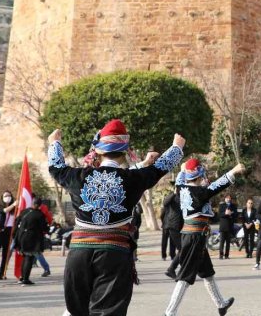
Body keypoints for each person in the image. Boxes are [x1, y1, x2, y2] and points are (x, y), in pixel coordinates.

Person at [47, 120, 184, 316]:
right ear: (125, 152)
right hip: (113, 254)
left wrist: (55, 142)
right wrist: (176, 147)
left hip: (78, 254)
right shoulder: (132, 179)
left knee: (77, 312)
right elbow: (159, 167)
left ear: (99, 151)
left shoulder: (78, 177)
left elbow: (56, 167)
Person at [163, 160, 244, 316]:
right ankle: (170, 312)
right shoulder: (200, 192)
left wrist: (183, 169)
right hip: (194, 237)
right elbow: (219, 184)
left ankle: (221, 304)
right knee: (185, 277)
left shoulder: (181, 188)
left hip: (194, 236)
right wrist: (234, 170)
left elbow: (181, 177)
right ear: (200, 175)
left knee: (207, 273)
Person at [14, 197, 49, 285]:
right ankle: (25, 279)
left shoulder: (24, 211)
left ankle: (21, 277)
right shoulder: (40, 214)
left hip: (21, 237)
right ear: (40, 205)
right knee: (29, 258)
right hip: (31, 238)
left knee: (25, 257)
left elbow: (16, 221)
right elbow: (44, 228)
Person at [0, 191, 16, 280]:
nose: (7, 197)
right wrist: (13, 205)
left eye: (9, 195)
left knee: (5, 254)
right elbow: (4, 211)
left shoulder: (14, 209)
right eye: (5, 196)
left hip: (8, 231)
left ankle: (2, 272)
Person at [161, 187, 183, 262]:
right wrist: (163, 223)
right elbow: (162, 215)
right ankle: (164, 255)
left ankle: (172, 255)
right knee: (164, 241)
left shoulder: (180, 197)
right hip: (166, 225)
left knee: (172, 241)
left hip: (175, 224)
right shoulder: (168, 203)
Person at [218, 194, 237, 260]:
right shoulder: (222, 205)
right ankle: (221, 255)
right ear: (225, 199)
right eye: (227, 198)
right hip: (223, 226)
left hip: (230, 226)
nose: (228, 199)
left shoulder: (233, 206)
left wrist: (231, 214)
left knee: (228, 242)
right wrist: (225, 213)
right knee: (222, 242)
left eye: (229, 198)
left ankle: (226, 255)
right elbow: (219, 215)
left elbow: (236, 215)